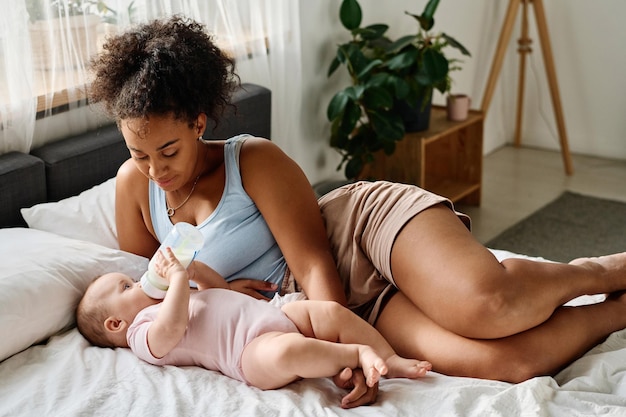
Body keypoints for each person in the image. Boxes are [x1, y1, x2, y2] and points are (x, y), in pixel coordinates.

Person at [88, 15, 626, 407]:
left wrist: (334, 346)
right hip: (319, 308)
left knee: (488, 305)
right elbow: (150, 300)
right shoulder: (134, 189)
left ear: (199, 123)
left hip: (356, 236)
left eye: (169, 151)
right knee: (507, 364)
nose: (155, 169)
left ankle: (597, 271)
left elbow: (317, 262)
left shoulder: (253, 160)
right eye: (139, 153)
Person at [76, 247, 432, 408]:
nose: (138, 282)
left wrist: (197, 272)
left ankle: (389, 357)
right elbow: (173, 328)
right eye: (127, 286)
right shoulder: (142, 332)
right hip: (250, 354)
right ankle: (356, 353)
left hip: (276, 315)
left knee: (329, 313)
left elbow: (219, 293)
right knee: (290, 352)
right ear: (115, 323)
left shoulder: (172, 297)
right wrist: (180, 279)